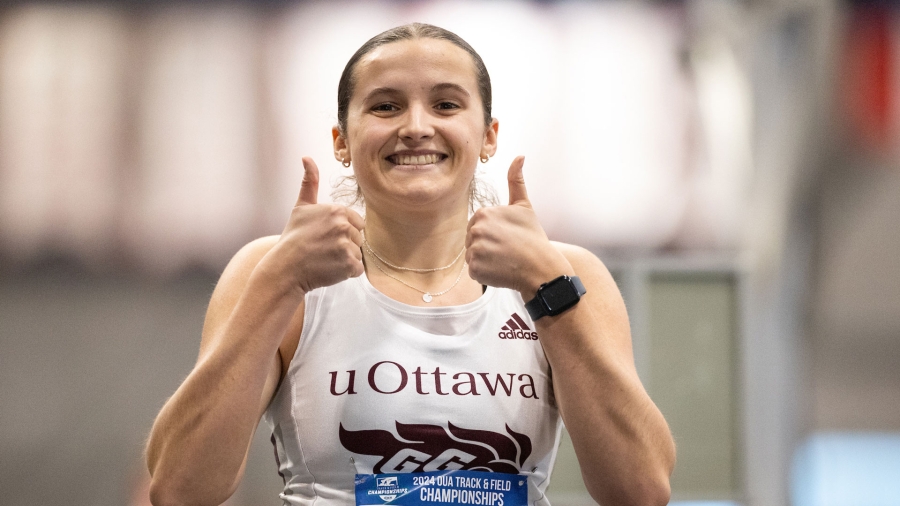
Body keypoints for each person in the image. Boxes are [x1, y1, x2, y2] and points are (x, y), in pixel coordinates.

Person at [145, 22, 675, 506]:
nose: (416, 127)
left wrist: (549, 292)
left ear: (488, 134)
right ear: (342, 141)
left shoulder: (564, 273)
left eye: (446, 105)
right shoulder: (274, 269)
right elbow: (179, 487)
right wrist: (278, 284)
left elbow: (641, 489)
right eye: (385, 107)